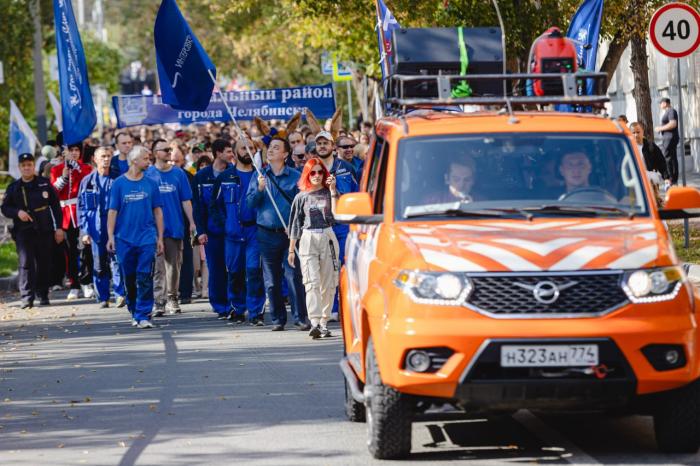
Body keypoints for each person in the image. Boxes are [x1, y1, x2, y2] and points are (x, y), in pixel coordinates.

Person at [246, 138, 308, 331]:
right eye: (269, 147)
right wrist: (259, 189)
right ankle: (277, 319)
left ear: (285, 154)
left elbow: (304, 205)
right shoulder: (259, 176)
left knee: (293, 277)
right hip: (266, 234)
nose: (271, 151)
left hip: (290, 235)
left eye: (276, 148)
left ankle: (300, 317)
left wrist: (296, 224)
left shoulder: (296, 176)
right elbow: (250, 204)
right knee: (271, 280)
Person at [107, 146, 164, 329]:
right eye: (146, 159)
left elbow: (158, 211)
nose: (149, 161)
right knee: (129, 278)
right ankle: (133, 311)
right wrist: (110, 236)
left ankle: (144, 313)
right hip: (124, 239)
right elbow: (112, 212)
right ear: (134, 161)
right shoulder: (118, 184)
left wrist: (160, 237)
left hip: (147, 237)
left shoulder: (151, 183)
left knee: (144, 276)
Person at [212, 138, 265, 325]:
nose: (248, 151)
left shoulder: (261, 176)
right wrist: (225, 224)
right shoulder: (225, 177)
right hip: (232, 234)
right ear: (234, 152)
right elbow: (215, 206)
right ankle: (237, 308)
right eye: (244, 148)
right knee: (234, 273)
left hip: (255, 232)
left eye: (251, 148)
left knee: (254, 271)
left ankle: (256, 311)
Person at [2, 153, 65, 308]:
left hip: (44, 228)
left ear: (33, 166)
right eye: (24, 165)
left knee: (44, 263)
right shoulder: (14, 187)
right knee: (26, 263)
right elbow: (5, 208)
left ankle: (43, 294)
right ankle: (27, 297)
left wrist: (59, 228)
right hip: (24, 231)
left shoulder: (44, 184)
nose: (27, 168)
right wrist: (18, 213)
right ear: (20, 168)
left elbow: (56, 207)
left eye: (29, 165)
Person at [288, 159, 339, 338]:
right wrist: (291, 249)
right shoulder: (300, 197)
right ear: (307, 174)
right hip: (308, 237)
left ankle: (324, 322)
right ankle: (315, 321)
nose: (316, 176)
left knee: (329, 282)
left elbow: (336, 215)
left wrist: (333, 191)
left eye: (319, 172)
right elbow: (295, 224)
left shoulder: (329, 193)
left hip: (327, 236)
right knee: (311, 282)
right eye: (312, 172)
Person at [146, 139, 196, 316]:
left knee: (173, 266)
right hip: (153, 229)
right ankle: (158, 300)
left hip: (174, 226)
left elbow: (186, 200)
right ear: (154, 153)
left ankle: (172, 297)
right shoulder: (148, 174)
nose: (168, 152)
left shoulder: (179, 174)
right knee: (158, 266)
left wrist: (192, 222)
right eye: (164, 150)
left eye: (169, 149)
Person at [313, 131, 358, 322]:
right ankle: (331, 307)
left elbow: (356, 195)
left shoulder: (346, 168)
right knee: (326, 268)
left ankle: (346, 307)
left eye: (326, 143)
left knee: (343, 268)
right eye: (319, 143)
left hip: (343, 225)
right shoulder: (312, 169)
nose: (322, 146)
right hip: (321, 225)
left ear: (333, 146)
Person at [78, 147, 126, 308]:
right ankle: (103, 297)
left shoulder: (118, 179)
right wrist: (84, 231)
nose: (106, 159)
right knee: (99, 263)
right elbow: (82, 207)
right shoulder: (87, 181)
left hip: (115, 226)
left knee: (117, 261)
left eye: (108, 156)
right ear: (95, 159)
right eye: (103, 156)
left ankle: (120, 294)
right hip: (95, 227)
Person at [191, 139, 234, 318]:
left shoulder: (234, 173)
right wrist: (200, 231)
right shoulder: (201, 176)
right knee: (215, 268)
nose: (231, 155)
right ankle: (220, 305)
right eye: (228, 151)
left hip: (233, 230)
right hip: (212, 231)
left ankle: (235, 302)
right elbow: (198, 206)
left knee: (234, 268)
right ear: (217, 153)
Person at [50, 138, 94, 300]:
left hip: (81, 212)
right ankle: (74, 284)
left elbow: (88, 184)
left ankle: (86, 282)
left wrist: (76, 169)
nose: (74, 153)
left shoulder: (86, 168)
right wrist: (63, 176)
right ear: (64, 152)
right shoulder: (56, 170)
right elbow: (54, 192)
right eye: (71, 150)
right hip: (65, 215)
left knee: (85, 249)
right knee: (70, 252)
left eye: (76, 150)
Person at [171, 146, 195, 304]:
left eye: (177, 160)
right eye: (171, 160)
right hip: (167, 223)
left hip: (184, 222)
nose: (174, 163)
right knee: (169, 261)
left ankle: (185, 292)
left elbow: (190, 200)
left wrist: (192, 222)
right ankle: (170, 292)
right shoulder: (156, 175)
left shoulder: (187, 176)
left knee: (186, 258)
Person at [655, 97, 680, 185]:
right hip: (668, 138)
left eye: (660, 103)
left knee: (668, 156)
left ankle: (671, 178)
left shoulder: (671, 111)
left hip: (670, 138)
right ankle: (672, 178)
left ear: (665, 103)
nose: (659, 105)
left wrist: (660, 128)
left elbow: (673, 124)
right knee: (670, 157)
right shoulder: (668, 112)